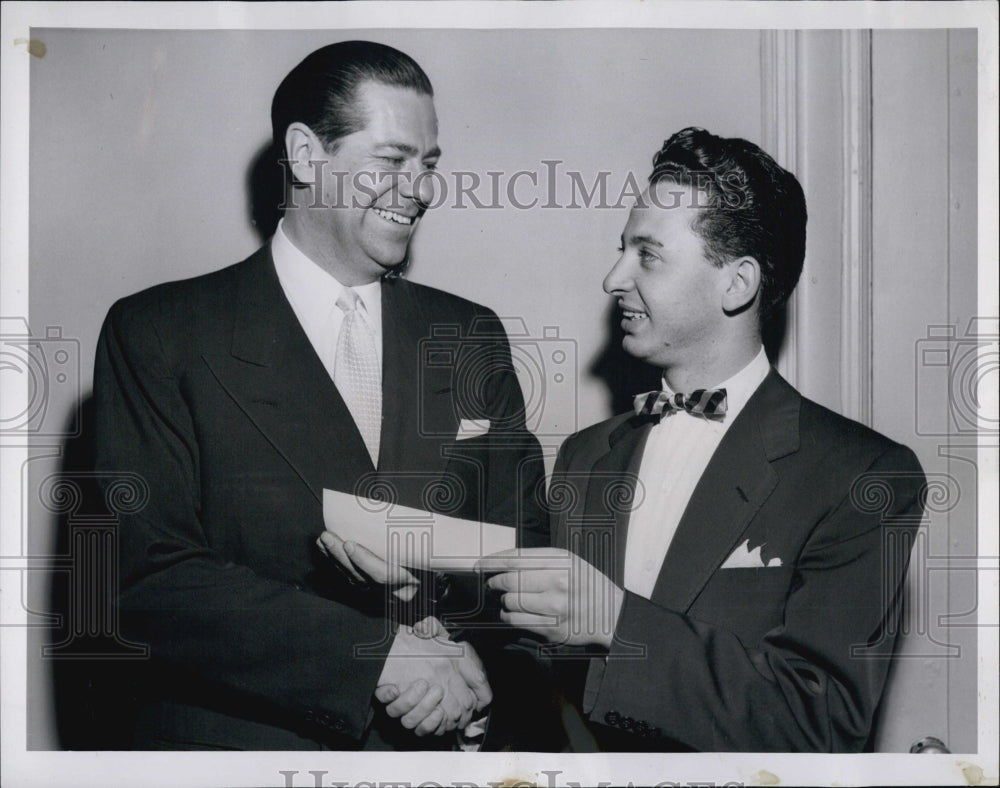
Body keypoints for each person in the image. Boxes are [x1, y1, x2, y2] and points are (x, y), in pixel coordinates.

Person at [92, 40, 546, 750]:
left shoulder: (468, 333)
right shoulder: (159, 333)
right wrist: (374, 657)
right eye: (392, 161)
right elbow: (145, 580)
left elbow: (523, 554)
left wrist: (475, 684)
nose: (421, 190)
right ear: (306, 156)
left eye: (428, 166)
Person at [481, 127, 926, 752]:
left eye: (648, 254)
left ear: (737, 284)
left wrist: (616, 623)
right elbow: (548, 692)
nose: (613, 278)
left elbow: (818, 724)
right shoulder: (585, 458)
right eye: (621, 250)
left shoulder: (862, 475)